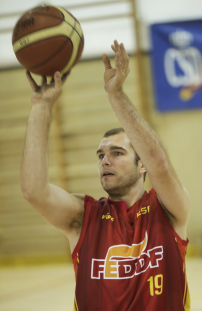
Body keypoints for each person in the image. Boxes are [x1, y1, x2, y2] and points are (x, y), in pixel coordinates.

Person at [21, 40, 191, 311]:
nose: (105, 161)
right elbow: (34, 191)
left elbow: (159, 162)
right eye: (101, 155)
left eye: (117, 153)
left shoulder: (169, 209)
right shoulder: (83, 218)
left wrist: (116, 95)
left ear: (141, 164)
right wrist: (41, 108)